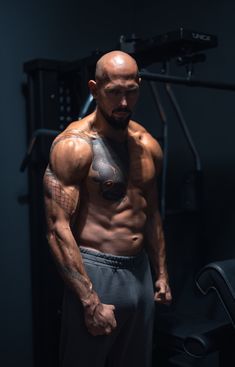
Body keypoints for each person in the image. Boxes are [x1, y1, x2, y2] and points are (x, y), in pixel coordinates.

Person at [43, 50, 172, 367]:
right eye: (115, 92)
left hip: (139, 271)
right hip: (97, 272)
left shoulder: (147, 144)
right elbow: (57, 229)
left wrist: (161, 273)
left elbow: (151, 212)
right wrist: (89, 301)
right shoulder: (74, 146)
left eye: (132, 90)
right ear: (94, 89)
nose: (124, 102)